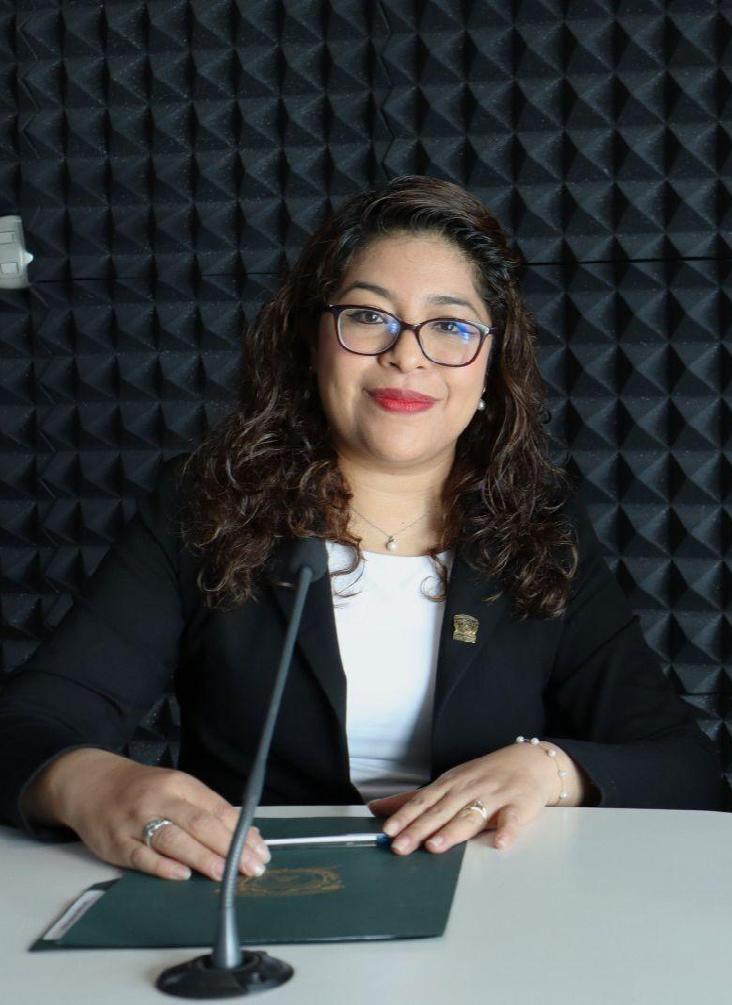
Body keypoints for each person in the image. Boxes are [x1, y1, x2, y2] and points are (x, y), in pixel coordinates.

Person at [0, 176, 720, 885]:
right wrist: (87, 782)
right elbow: (27, 724)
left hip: (494, 901)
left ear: (491, 368)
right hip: (263, 896)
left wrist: (549, 768)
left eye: (450, 326)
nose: (407, 354)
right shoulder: (205, 506)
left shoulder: (541, 527)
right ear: (312, 343)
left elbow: (684, 766)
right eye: (369, 316)